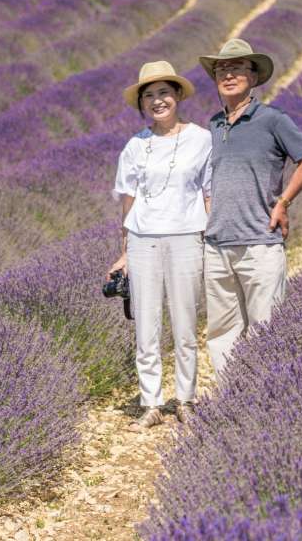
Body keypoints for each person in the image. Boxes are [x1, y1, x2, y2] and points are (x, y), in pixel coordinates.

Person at [198, 39, 302, 378]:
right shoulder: (213, 125)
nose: (229, 74)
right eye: (222, 69)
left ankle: (264, 395)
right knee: (221, 333)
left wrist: (283, 202)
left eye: (238, 68)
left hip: (260, 241)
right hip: (217, 244)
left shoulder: (272, 119)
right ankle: (229, 397)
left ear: (253, 78)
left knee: (265, 329)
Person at [110, 61, 211, 431]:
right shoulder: (135, 146)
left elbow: (209, 191)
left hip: (186, 236)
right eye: (148, 95)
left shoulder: (201, 139)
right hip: (143, 241)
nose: (157, 101)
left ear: (178, 96)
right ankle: (151, 403)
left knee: (185, 323)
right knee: (147, 325)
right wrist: (123, 251)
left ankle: (185, 398)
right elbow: (128, 200)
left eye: (164, 93)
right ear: (141, 104)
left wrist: (210, 236)